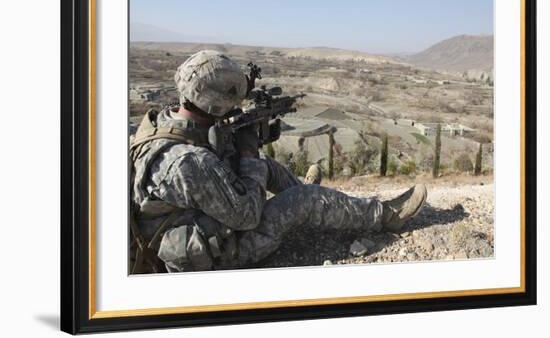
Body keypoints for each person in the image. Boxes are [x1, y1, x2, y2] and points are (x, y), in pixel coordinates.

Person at [130, 50, 427, 273]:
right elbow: (246, 216)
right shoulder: (187, 163)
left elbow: (211, 170)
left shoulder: (165, 123)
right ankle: (386, 215)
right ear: (215, 103)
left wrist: (240, 148)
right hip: (216, 254)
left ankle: (316, 200)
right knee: (300, 198)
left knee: (269, 169)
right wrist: (247, 154)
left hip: (196, 221)